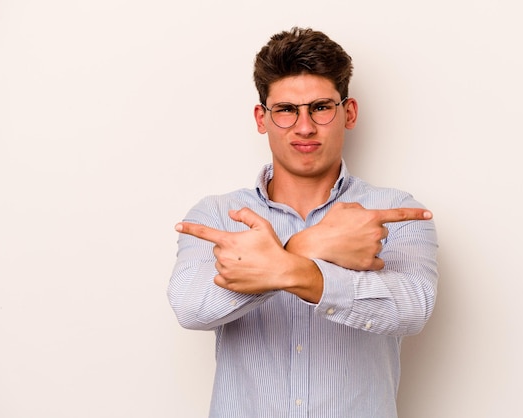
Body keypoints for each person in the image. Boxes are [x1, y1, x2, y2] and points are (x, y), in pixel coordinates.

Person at [168, 27, 438, 418]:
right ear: (262, 118)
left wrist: (276, 264)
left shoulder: (393, 212)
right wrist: (311, 246)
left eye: (321, 107)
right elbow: (191, 308)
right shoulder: (215, 215)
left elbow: (412, 309)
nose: (305, 126)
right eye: (286, 110)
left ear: (349, 112)